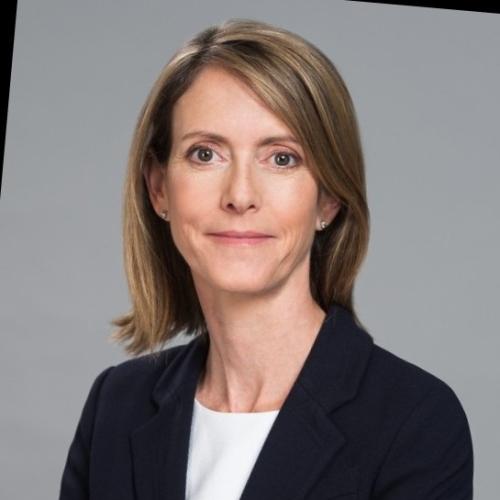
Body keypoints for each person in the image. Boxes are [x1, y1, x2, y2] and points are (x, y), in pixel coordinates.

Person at [58, 18, 474, 500]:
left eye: (281, 158)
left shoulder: (415, 420)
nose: (240, 195)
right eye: (205, 154)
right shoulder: (115, 406)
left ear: (328, 198)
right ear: (158, 187)